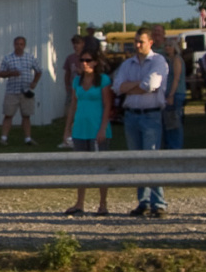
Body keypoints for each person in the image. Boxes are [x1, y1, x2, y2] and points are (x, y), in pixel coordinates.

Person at [111, 26, 169, 218]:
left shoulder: (158, 61)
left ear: (150, 43)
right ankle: (143, 202)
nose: (137, 45)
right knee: (137, 159)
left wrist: (130, 86)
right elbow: (117, 87)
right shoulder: (128, 64)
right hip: (131, 115)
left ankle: (158, 203)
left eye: (141, 42)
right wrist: (139, 85)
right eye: (135, 41)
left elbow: (151, 85)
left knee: (151, 158)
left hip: (151, 115)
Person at [61, 50, 112, 217]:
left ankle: (103, 204)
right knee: (81, 167)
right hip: (80, 129)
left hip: (97, 128)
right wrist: (67, 128)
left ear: (95, 62)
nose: (84, 63)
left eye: (88, 60)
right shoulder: (77, 80)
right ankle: (79, 203)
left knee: (101, 167)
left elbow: (107, 105)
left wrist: (103, 128)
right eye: (82, 60)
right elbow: (73, 105)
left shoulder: (103, 80)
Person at [0, 35, 42, 146]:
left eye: (21, 44)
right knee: (8, 115)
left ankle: (28, 139)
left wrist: (34, 82)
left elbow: (38, 71)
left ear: (25, 45)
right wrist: (11, 73)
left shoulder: (30, 57)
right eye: (17, 44)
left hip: (26, 91)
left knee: (26, 116)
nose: (19, 46)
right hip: (12, 91)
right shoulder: (8, 58)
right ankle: (3, 138)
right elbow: (0, 73)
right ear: (14, 45)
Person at [59, 34, 84, 148]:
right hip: (72, 89)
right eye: (74, 43)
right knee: (69, 113)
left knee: (80, 114)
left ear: (83, 44)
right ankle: (68, 138)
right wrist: (67, 86)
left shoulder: (86, 58)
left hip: (82, 89)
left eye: (78, 43)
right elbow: (67, 73)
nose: (76, 46)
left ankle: (78, 138)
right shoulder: (70, 58)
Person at [163, 35, 187, 150]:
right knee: (168, 122)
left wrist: (171, 95)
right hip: (168, 93)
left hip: (176, 94)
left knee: (174, 122)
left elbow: (176, 78)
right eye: (166, 46)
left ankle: (176, 147)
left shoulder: (177, 60)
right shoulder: (166, 60)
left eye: (170, 46)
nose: (167, 48)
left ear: (175, 48)